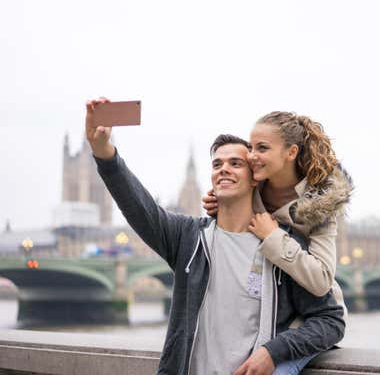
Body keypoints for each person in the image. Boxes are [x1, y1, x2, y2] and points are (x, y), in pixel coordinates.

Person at [86, 98, 345, 375]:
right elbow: (140, 208)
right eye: (217, 164)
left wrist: (274, 351)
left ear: (255, 177)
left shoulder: (283, 243)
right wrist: (104, 153)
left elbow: (330, 320)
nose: (224, 169)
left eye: (236, 163)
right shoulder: (189, 239)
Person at [203, 111, 353, 311]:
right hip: (258, 304)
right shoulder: (251, 186)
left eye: (262, 148)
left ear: (291, 152)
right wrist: (222, 206)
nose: (252, 156)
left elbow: (322, 280)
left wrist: (273, 236)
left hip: (309, 314)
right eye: (251, 147)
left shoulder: (321, 205)